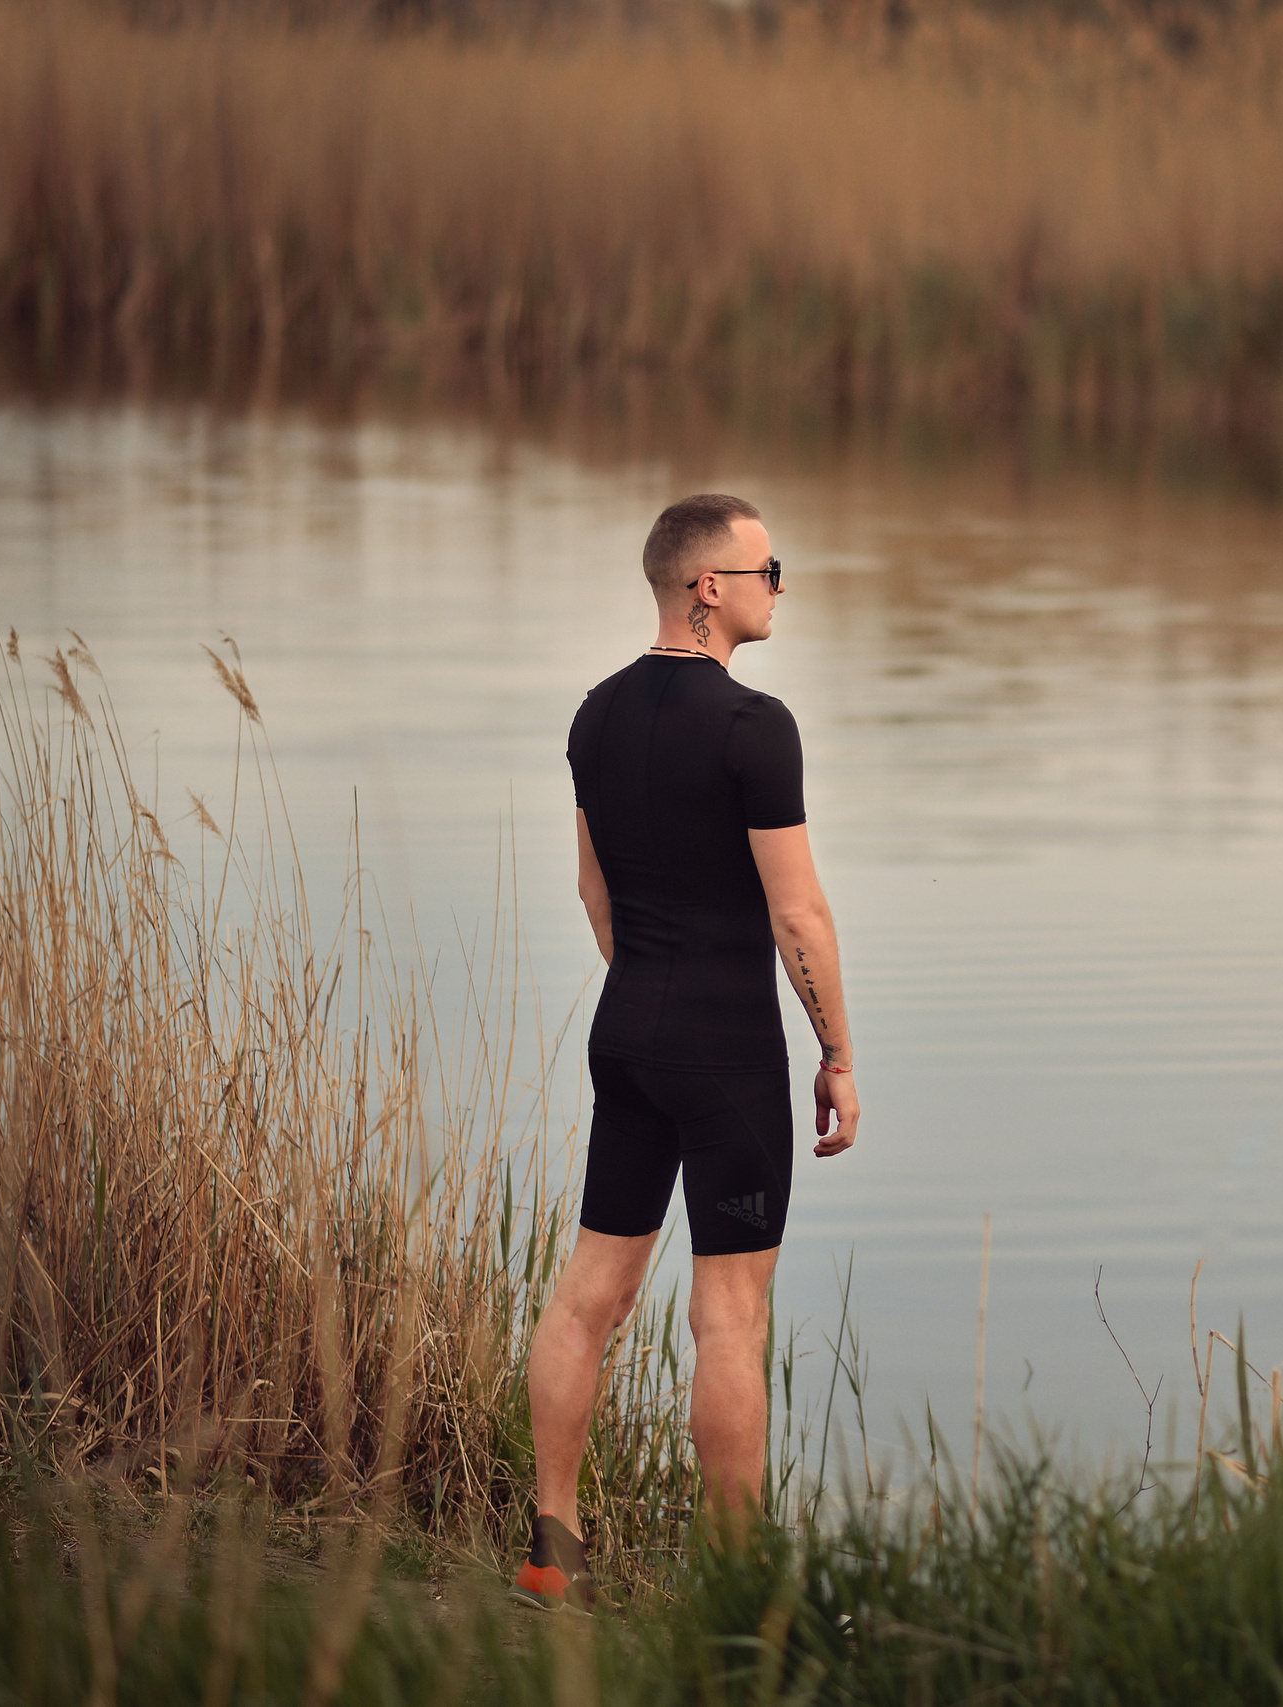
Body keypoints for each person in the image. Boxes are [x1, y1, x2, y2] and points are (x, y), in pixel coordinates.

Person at [512, 494, 859, 1615]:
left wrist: (648, 991)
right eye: (768, 568)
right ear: (709, 586)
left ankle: (553, 1552)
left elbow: (594, 895)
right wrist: (837, 1052)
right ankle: (735, 1577)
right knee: (729, 1318)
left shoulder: (596, 716)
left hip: (628, 1032)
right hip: (727, 1055)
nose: (780, 587)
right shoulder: (756, 727)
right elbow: (798, 916)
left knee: (588, 1298)